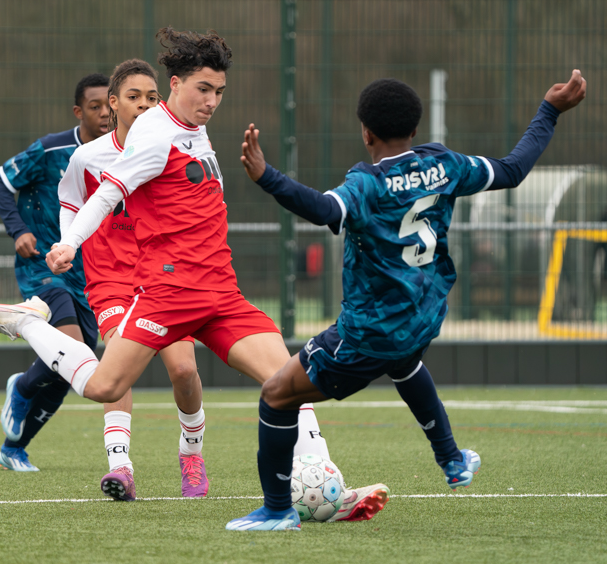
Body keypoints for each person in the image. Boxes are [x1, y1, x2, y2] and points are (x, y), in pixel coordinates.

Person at [0, 28, 389, 521]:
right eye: (203, 90)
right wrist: (68, 244)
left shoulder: (194, 127)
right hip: (168, 294)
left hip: (220, 291)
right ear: (177, 84)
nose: (212, 101)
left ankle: (325, 493)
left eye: (219, 93)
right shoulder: (154, 133)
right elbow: (106, 194)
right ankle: (24, 323)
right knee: (104, 386)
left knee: (289, 380)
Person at [226, 70, 587, 531]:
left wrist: (265, 175)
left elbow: (322, 209)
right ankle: (453, 461)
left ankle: (276, 511)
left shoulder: (366, 184)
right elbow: (513, 169)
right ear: (415, 129)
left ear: (366, 132)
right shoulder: (446, 165)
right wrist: (550, 110)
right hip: (424, 315)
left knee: (276, 395)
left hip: (369, 333)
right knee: (405, 362)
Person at [58, 58, 208, 501]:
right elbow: (72, 202)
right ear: (112, 104)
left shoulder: (172, 147)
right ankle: (120, 467)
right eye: (132, 97)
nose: (143, 105)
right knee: (116, 374)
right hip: (111, 281)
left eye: (151, 97)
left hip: (164, 278)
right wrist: (69, 244)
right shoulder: (87, 157)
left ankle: (192, 453)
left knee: (183, 369)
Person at [0, 73, 110, 472]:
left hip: (90, 275)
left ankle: (14, 448)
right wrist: (18, 230)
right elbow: (2, 181)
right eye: (95, 106)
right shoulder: (51, 149)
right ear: (79, 111)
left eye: (110, 104)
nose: (105, 113)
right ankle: (22, 388)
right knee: (73, 350)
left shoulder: (123, 155)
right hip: (45, 267)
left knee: (72, 370)